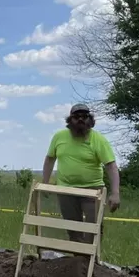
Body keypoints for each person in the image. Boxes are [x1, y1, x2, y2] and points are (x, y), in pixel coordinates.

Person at [42, 103, 120, 243]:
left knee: (93, 230)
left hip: (93, 191)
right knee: (73, 230)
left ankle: (91, 262)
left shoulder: (98, 140)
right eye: (76, 116)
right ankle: (78, 262)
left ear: (90, 120)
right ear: (69, 120)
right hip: (66, 190)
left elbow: (111, 166)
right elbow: (50, 159)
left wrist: (115, 193)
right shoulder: (59, 137)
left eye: (84, 116)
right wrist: (45, 182)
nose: (80, 119)